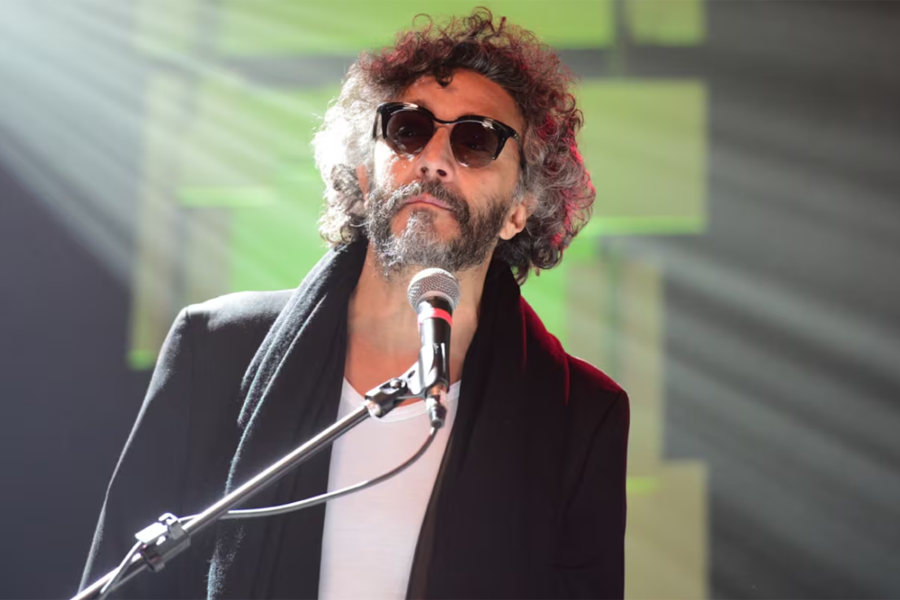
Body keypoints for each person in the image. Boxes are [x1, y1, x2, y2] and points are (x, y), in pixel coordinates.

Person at [80, 9, 630, 600]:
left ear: (520, 210)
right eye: (409, 129)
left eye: (475, 141)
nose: (434, 158)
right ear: (366, 176)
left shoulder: (580, 416)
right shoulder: (214, 349)